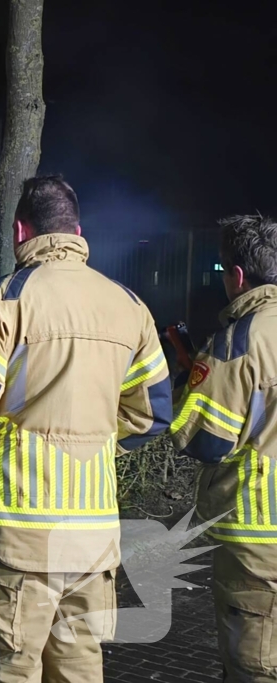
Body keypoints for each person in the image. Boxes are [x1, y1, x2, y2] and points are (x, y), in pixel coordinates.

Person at [0, 175, 172, 682]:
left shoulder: (1, 300)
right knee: (80, 671)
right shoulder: (130, 306)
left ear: (21, 230)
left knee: (6, 668)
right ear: (78, 231)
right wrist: (99, 442)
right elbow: (154, 415)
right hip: (93, 541)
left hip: (18, 537)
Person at [170, 214, 277, 681]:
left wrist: (190, 380)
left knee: (254, 663)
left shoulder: (238, 340)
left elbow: (205, 440)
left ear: (236, 275)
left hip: (261, 539)